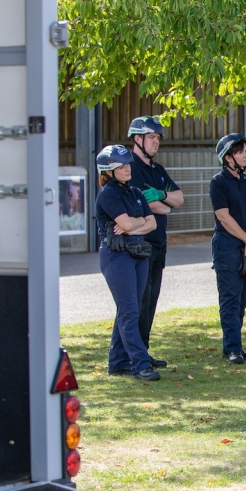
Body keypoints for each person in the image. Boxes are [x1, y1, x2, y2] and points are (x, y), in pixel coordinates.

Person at [94, 145, 161, 382]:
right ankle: (140, 364)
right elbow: (131, 223)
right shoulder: (109, 194)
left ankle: (118, 362)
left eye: (128, 164)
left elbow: (151, 223)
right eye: (121, 166)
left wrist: (134, 224)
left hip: (137, 252)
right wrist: (136, 222)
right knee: (130, 310)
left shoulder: (134, 192)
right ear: (108, 171)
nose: (127, 169)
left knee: (130, 308)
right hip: (116, 255)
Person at [127, 116, 184, 369]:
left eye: (158, 138)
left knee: (151, 301)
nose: (156, 142)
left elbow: (180, 198)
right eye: (151, 137)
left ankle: (144, 352)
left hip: (159, 243)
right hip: (140, 243)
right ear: (137, 139)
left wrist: (163, 195)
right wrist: (165, 206)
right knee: (139, 301)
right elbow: (144, 205)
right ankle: (134, 356)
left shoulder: (157, 170)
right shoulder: (130, 168)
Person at [209, 133, 246, 364]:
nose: (245, 156)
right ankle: (233, 348)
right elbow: (223, 217)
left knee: (243, 298)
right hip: (228, 245)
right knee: (230, 299)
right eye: (240, 152)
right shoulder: (218, 182)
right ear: (227, 157)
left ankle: (233, 344)